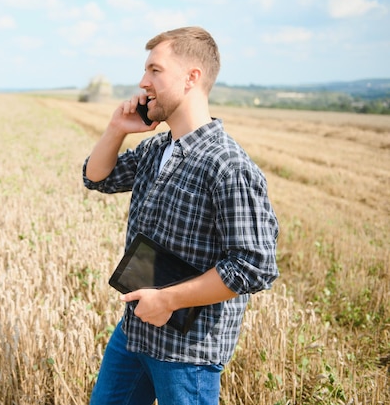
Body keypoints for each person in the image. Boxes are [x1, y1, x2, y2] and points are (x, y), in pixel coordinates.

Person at [82, 27, 279, 405]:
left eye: (155, 70)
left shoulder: (227, 165)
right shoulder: (157, 148)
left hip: (188, 354)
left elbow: (254, 267)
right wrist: (116, 128)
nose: (142, 82)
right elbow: (97, 178)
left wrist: (169, 299)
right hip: (134, 333)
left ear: (192, 78)